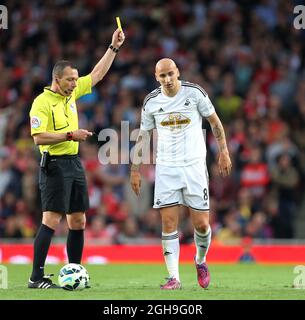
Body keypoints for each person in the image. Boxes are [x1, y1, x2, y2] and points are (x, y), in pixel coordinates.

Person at [28, 28, 125, 289]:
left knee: (78, 220)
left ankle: (74, 272)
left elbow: (96, 75)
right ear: (56, 80)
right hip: (55, 165)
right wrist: (70, 135)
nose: (75, 84)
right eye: (70, 80)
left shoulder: (72, 92)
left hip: (73, 163)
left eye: (75, 79)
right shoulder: (42, 102)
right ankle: (35, 277)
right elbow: (38, 137)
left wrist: (113, 48)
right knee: (50, 220)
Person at [130, 58, 232, 290]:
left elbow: (215, 122)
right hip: (166, 168)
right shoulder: (151, 102)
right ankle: (174, 277)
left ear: (178, 73)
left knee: (202, 225)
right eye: (162, 76)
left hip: (194, 166)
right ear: (156, 77)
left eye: (170, 74)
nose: (167, 79)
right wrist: (135, 169)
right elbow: (143, 137)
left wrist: (224, 151)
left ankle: (200, 260)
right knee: (168, 222)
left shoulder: (194, 93)